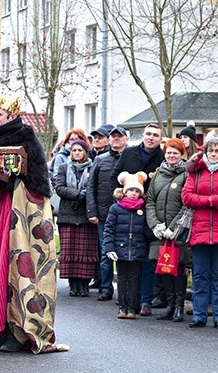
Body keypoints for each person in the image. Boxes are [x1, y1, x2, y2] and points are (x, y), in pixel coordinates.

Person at [0, 92, 62, 354]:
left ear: (12, 116)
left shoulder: (26, 140)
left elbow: (37, 183)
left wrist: (9, 180)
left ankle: (18, 330)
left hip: (16, 211)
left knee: (16, 267)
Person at [182, 137, 218, 330]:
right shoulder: (196, 172)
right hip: (200, 230)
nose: (214, 154)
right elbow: (187, 197)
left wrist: (208, 199)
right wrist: (216, 200)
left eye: (217, 151)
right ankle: (199, 315)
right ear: (205, 152)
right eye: (211, 151)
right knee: (199, 275)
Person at [111, 123, 164, 316]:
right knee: (128, 259)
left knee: (148, 259)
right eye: (148, 134)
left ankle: (145, 300)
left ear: (160, 139)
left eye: (155, 135)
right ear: (143, 135)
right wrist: (119, 197)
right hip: (127, 212)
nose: (151, 138)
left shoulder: (163, 157)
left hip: (150, 213)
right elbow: (114, 177)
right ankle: (127, 300)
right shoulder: (129, 153)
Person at [145, 138, 190, 322]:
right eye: (169, 152)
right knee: (163, 267)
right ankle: (170, 304)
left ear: (182, 154)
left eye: (175, 153)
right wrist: (154, 224)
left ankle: (179, 305)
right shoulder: (157, 174)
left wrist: (173, 228)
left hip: (177, 231)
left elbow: (187, 205)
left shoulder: (187, 174)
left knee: (178, 268)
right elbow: (150, 201)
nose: (171, 156)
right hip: (160, 231)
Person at [86, 126, 129, 301]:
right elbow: (91, 187)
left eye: (120, 136)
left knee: (125, 253)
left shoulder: (131, 158)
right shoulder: (100, 160)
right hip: (104, 213)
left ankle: (125, 291)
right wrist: (92, 211)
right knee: (105, 252)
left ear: (126, 139)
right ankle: (106, 287)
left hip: (127, 213)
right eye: (113, 137)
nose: (116, 139)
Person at [103, 172, 149, 319]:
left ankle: (132, 307)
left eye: (137, 191)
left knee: (135, 279)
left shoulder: (143, 209)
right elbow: (109, 229)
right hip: (120, 248)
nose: (134, 194)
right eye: (131, 190)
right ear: (124, 191)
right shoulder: (115, 208)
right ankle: (122, 306)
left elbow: (146, 230)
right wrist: (109, 248)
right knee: (122, 278)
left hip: (137, 249)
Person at [55, 139, 98, 297]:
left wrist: (86, 195)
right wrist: (78, 194)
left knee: (86, 251)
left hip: (87, 213)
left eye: (80, 150)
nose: (77, 153)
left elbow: (95, 186)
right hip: (68, 214)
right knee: (70, 250)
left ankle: (84, 284)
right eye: (74, 150)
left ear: (85, 152)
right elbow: (59, 187)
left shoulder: (93, 167)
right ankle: (73, 284)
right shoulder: (63, 167)